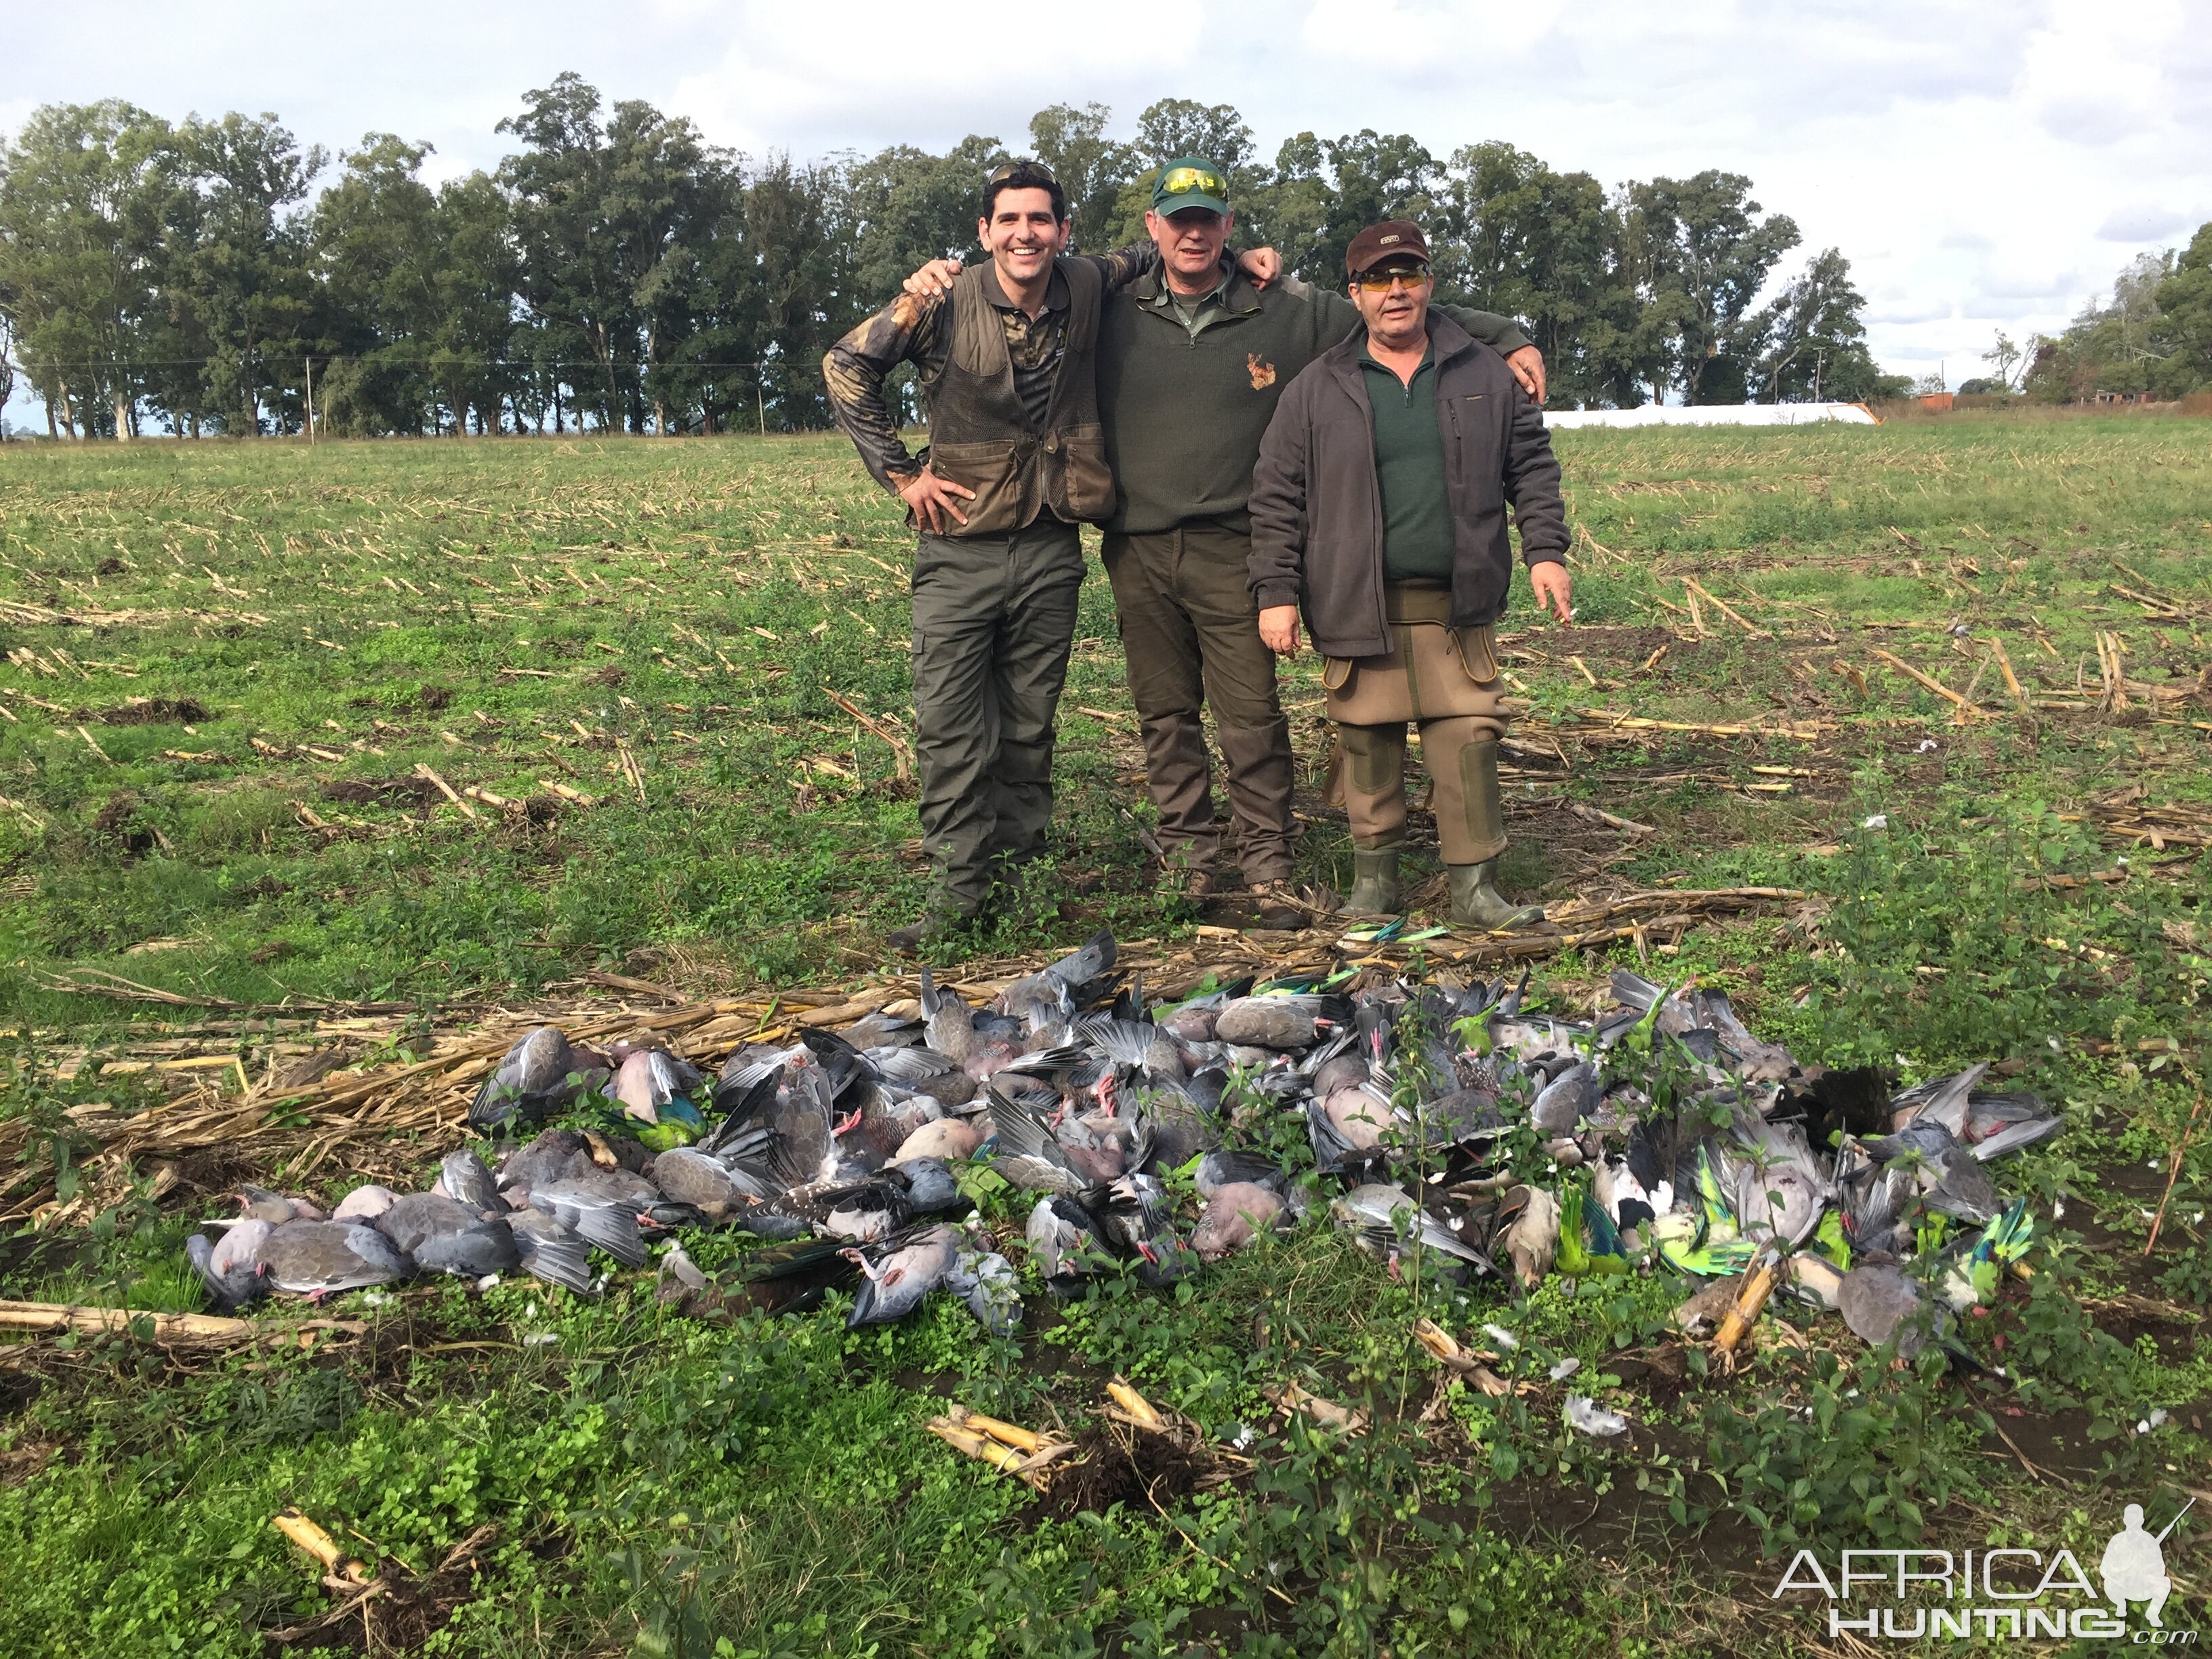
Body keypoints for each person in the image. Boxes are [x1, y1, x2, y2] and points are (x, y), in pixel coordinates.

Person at [903, 159, 1544, 929]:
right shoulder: (1106, 306)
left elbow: (1389, 308)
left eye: (1208, 220)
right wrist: (932, 290)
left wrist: (1505, 337)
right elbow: (1016, 299)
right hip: (1137, 548)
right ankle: (1190, 865)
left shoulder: (1283, 309)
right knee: (1164, 716)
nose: (1194, 233)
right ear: (1154, 229)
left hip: (1236, 546)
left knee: (1250, 714)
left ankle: (1268, 869)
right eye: (1178, 220)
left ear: (1228, 228)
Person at [823, 162, 1275, 954]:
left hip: (1050, 546)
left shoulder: (1090, 280)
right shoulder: (938, 299)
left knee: (1029, 730)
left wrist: (1250, 260)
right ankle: (962, 898)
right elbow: (845, 365)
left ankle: (1023, 888)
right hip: (959, 547)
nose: (1025, 233)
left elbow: (1173, 252)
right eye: (1009, 220)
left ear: (1064, 231)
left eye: (1040, 220)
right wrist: (901, 473)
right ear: (984, 232)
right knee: (952, 728)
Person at [1248, 219, 1570, 930]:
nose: (1397, 293)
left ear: (1428, 284)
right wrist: (1277, 594)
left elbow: (1532, 467)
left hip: (1458, 605)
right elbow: (1276, 497)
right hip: (1356, 602)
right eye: (1379, 281)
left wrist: (1546, 550)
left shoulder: (1484, 372)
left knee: (1469, 738)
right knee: (1366, 740)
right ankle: (1375, 887)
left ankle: (1476, 891)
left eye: (1410, 276)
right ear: (1355, 293)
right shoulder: (1315, 388)